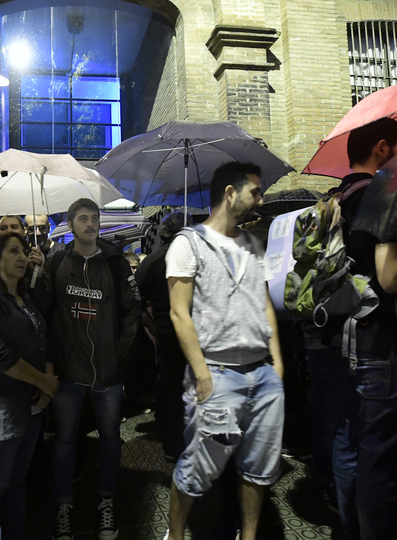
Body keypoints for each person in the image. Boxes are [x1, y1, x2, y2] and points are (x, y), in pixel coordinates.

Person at [307, 117, 397, 540]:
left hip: (338, 340)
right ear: (382, 148)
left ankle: (348, 529)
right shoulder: (383, 193)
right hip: (380, 341)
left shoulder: (332, 200)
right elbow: (393, 277)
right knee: (378, 463)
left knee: (347, 442)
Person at [163, 162, 284, 540]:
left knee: (258, 468)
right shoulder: (188, 243)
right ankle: (176, 533)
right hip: (218, 373)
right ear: (230, 194)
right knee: (197, 468)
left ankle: (247, 535)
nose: (259, 201)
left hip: (262, 374)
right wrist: (201, 374)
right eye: (255, 192)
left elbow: (265, 306)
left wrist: (277, 367)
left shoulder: (252, 245)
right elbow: (178, 313)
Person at [42, 198, 141, 540]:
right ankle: (64, 506)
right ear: (70, 225)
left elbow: (132, 312)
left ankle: (107, 502)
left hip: (107, 373)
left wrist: (121, 355)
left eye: (94, 218)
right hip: (69, 372)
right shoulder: (56, 260)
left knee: (111, 439)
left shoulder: (115, 262)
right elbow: (43, 309)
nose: (90, 223)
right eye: (82, 218)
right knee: (65, 440)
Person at [0, 232, 58, 540]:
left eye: (24, 252)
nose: (21, 257)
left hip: (31, 407)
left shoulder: (27, 299)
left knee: (18, 482)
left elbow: (44, 339)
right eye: (13, 251)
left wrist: (45, 385)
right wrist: (42, 380)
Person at [135, 212, 188, 461]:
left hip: (165, 335)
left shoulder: (150, 263)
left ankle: (173, 446)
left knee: (171, 391)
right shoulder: (195, 257)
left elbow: (136, 303)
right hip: (193, 334)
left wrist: (153, 326)